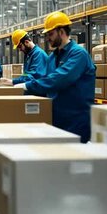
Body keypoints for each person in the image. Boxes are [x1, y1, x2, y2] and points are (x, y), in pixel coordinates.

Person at [15, 11, 96, 142]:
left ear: (62, 31)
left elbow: (58, 79)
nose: (48, 38)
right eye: (47, 35)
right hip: (57, 118)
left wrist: (26, 85)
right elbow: (44, 80)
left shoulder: (78, 54)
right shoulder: (52, 57)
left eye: (50, 34)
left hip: (77, 120)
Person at [2, 29, 48, 94]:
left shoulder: (38, 54)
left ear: (26, 42)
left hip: (39, 94)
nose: (20, 49)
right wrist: (13, 81)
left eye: (20, 46)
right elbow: (26, 74)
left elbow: (33, 76)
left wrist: (13, 82)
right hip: (31, 92)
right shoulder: (28, 55)